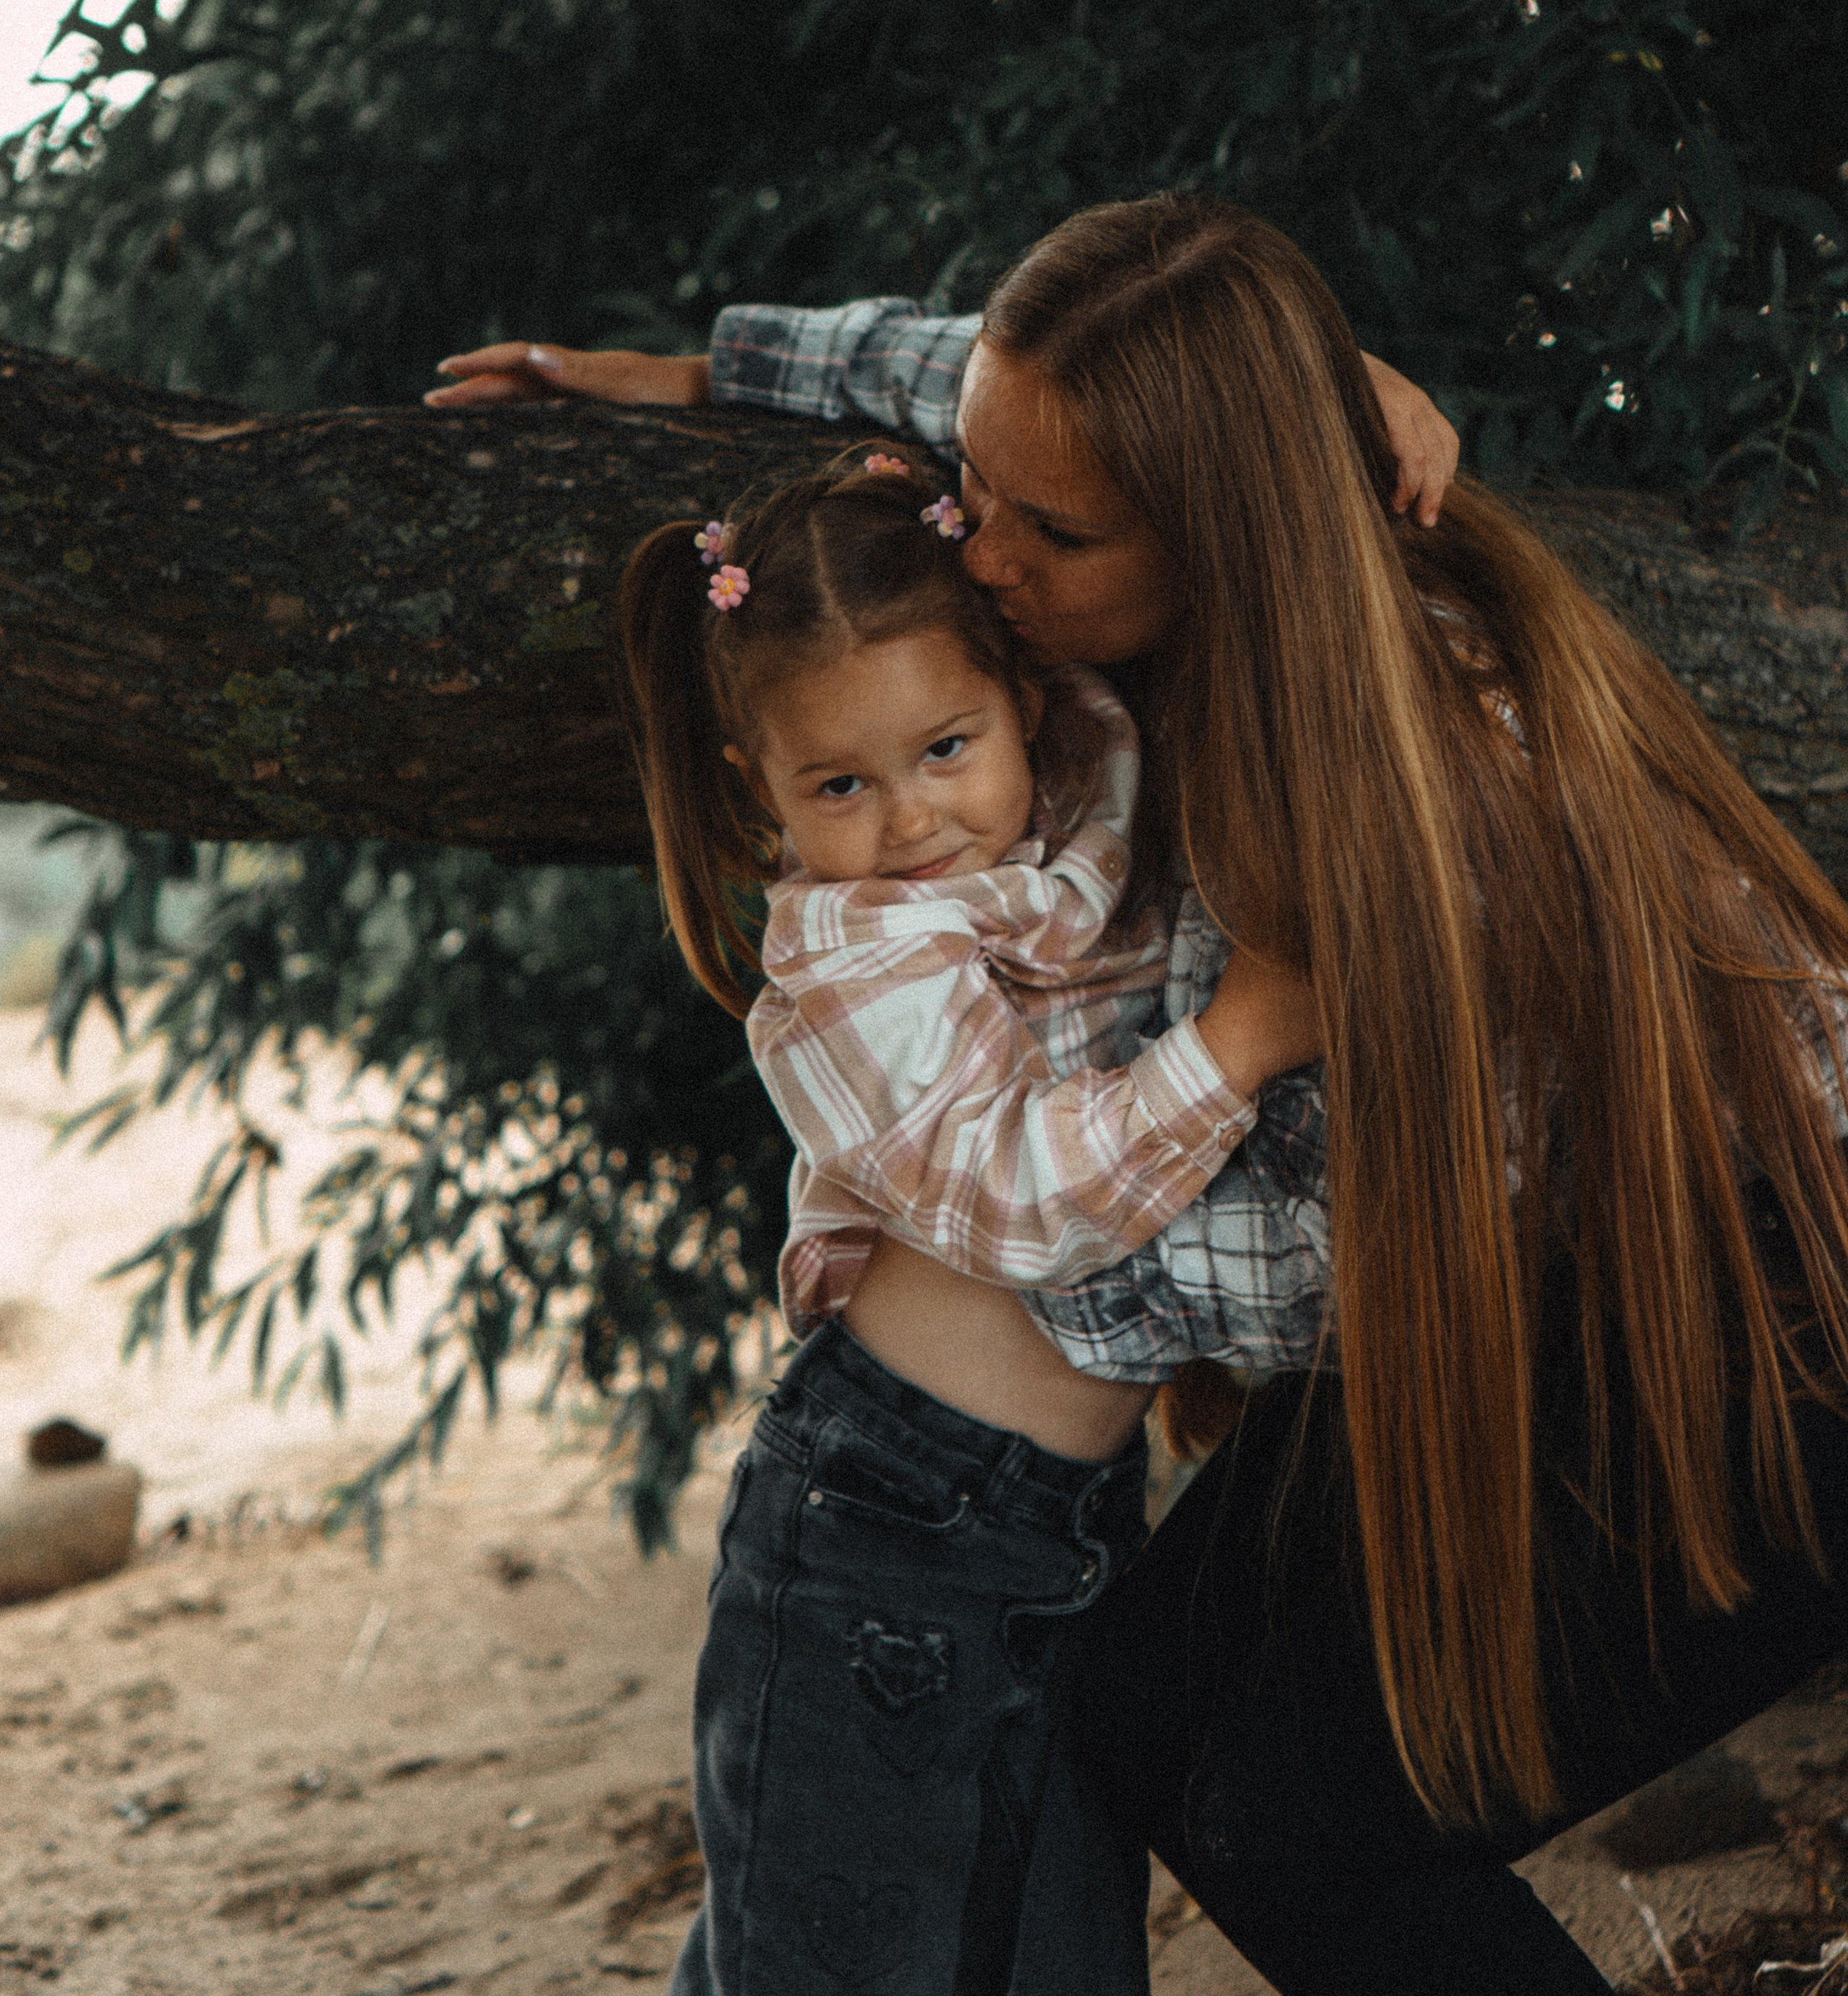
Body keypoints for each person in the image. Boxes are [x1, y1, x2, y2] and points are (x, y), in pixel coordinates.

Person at [436, 194, 1848, 1995]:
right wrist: (700, 365)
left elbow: (1379, 1258)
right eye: (977, 486)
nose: (978, 552)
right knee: (1132, 1708)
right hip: (1509, 1276)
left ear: (1223, 522)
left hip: (1741, 1314)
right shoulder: (1124, 573)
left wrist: (991, 1287)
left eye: (1050, 528)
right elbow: (988, 387)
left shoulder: (1415, 792)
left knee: (1301, 1822)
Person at [616, 437, 1319, 1996]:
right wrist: (1245, 1038)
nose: (914, 819)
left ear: (1023, 690)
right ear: (763, 791)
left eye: (943, 748)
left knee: (1052, 1963)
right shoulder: (847, 964)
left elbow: (1101, 416)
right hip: (880, 1525)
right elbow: (1027, 1205)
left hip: (1066, 1524)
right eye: (840, 786)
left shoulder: (1086, 786)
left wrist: (1351, 398)